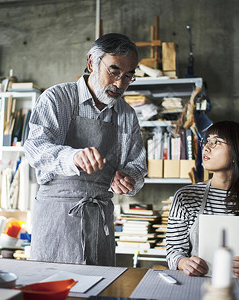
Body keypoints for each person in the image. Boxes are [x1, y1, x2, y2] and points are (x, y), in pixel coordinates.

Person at [24, 33, 147, 266]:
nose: (120, 84)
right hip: (57, 217)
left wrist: (129, 178)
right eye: (114, 72)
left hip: (99, 220)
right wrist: (73, 156)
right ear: (92, 62)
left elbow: (138, 166)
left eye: (129, 76)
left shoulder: (127, 115)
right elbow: (35, 148)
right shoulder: (57, 98)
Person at [166, 120, 239, 277]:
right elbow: (173, 253)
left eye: (216, 142)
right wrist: (184, 263)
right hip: (193, 288)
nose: (206, 147)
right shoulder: (185, 198)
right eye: (207, 141)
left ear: (237, 153)